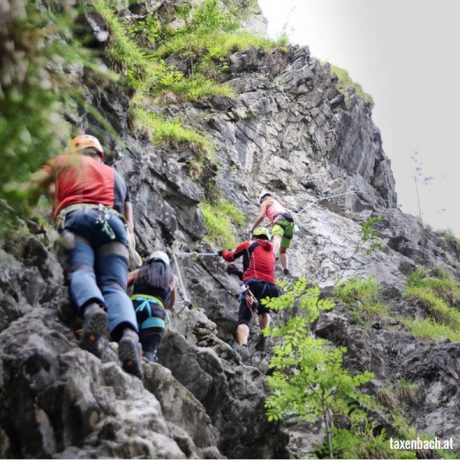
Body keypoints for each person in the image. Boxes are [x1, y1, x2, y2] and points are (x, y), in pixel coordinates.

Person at [26, 134, 143, 378]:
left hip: (78, 218)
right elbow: (130, 222)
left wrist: (31, 216)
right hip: (114, 225)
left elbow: (33, 185)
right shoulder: (117, 177)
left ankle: (92, 310)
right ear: (99, 154)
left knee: (82, 270)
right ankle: (129, 336)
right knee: (114, 286)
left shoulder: (62, 162)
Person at [219, 227, 280, 353]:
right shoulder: (272, 252)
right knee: (263, 311)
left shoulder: (248, 244)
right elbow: (261, 274)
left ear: (254, 236)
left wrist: (224, 252)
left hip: (253, 286)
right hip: (271, 288)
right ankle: (264, 334)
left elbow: (230, 256)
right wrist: (238, 273)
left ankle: (243, 348)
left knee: (244, 318)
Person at [128, 250, 178, 363]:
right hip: (155, 313)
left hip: (133, 308)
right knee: (149, 351)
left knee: (126, 341)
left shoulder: (140, 272)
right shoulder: (172, 278)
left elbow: (121, 283)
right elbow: (170, 305)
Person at [249, 191, 295, 275]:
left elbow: (262, 216)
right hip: (290, 222)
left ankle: (272, 254)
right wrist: (270, 223)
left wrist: (253, 228)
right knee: (283, 250)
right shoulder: (275, 202)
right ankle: (285, 268)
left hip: (280, 219)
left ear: (262, 198)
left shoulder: (265, 202)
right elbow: (278, 212)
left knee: (277, 237)